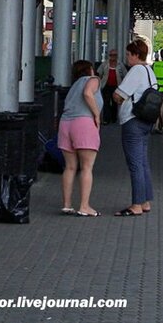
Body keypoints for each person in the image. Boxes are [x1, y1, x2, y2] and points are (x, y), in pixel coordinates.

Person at [113, 39, 155, 217]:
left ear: (136, 55)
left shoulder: (136, 70)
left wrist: (116, 98)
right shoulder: (149, 71)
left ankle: (136, 204)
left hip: (133, 121)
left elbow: (119, 95)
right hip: (147, 121)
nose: (127, 57)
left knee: (135, 164)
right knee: (143, 162)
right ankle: (145, 201)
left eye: (129, 54)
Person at [58, 59, 102, 217]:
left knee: (69, 167)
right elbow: (88, 93)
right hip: (83, 123)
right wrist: (97, 115)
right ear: (90, 69)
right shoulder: (93, 80)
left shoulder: (73, 86)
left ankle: (67, 205)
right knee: (86, 167)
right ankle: (84, 206)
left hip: (65, 124)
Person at [95, 50, 124, 125]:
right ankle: (106, 119)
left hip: (116, 86)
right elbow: (99, 73)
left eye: (114, 55)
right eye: (111, 55)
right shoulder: (105, 64)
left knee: (115, 103)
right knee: (106, 102)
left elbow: (125, 74)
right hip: (106, 86)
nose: (113, 57)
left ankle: (114, 118)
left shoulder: (120, 64)